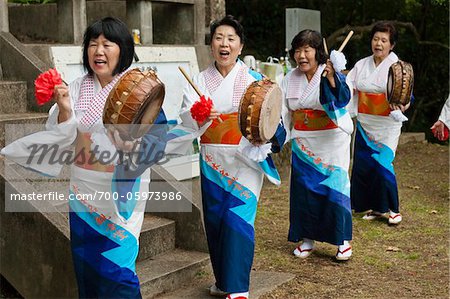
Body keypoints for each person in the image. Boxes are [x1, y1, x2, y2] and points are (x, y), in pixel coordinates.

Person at [1, 17, 167, 298]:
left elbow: (157, 140)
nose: (98, 51)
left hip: (119, 191)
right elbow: (61, 137)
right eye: (93, 44)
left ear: (123, 49)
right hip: (82, 191)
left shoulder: (140, 87)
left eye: (107, 44)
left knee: (118, 271)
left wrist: (131, 150)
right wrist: (65, 109)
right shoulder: (77, 87)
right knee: (86, 266)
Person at [165, 15, 285, 299]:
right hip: (212, 160)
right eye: (219, 38)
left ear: (240, 46)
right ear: (211, 45)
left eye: (231, 39)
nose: (224, 44)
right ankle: (223, 281)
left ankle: (238, 289)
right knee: (216, 221)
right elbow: (186, 121)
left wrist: (265, 137)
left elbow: (273, 117)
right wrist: (200, 115)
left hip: (245, 159)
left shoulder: (254, 80)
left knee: (237, 221)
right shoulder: (198, 80)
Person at [281, 29, 353, 261]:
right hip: (303, 142)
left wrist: (333, 78)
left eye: (307, 50)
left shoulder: (330, 72)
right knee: (304, 191)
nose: (302, 56)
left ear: (317, 52)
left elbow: (343, 98)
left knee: (334, 189)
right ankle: (307, 238)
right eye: (298, 50)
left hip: (331, 141)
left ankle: (342, 240)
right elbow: (283, 112)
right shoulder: (289, 78)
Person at [346, 21, 411, 225]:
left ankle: (393, 208)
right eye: (376, 39)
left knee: (383, 165)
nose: (379, 44)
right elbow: (349, 89)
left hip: (387, 125)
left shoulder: (398, 67)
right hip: (365, 123)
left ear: (391, 45)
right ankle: (374, 207)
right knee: (364, 167)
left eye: (384, 40)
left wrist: (403, 106)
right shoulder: (361, 65)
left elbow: (406, 95)